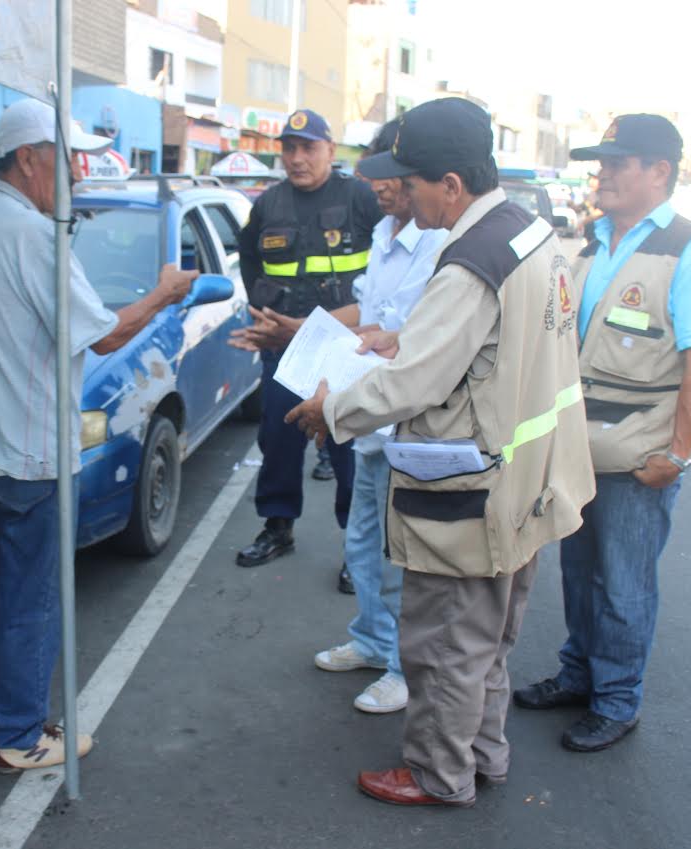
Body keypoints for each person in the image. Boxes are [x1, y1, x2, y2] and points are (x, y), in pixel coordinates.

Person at [285, 97, 595, 807]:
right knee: (487, 640)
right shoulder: (527, 233)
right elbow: (483, 347)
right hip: (528, 484)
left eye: (414, 181)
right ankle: (483, 755)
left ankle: (437, 772)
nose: (401, 195)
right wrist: (407, 341)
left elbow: (413, 382)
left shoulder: (468, 262)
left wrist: (329, 409)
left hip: (470, 491)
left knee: (445, 643)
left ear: (451, 184)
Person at [0, 98, 196, 774]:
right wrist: (163, 292)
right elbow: (102, 331)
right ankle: (16, 732)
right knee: (30, 600)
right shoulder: (35, 236)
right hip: (27, 454)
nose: (76, 171)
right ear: (26, 160)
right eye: (65, 158)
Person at [513, 114, 691, 753]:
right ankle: (579, 675)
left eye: (618, 161)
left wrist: (679, 455)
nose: (601, 172)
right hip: (578, 452)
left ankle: (616, 701)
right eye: (601, 161)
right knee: (580, 574)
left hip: (638, 460)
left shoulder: (688, 252)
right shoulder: (592, 242)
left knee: (624, 582)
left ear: (659, 172)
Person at [311, 119, 449, 714]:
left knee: (403, 555)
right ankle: (371, 640)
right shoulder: (386, 234)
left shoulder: (440, 243)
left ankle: (402, 666)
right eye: (375, 179)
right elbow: (370, 314)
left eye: (391, 179)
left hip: (407, 420)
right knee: (363, 538)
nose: (381, 190)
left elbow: (419, 339)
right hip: (369, 417)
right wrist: (304, 335)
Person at [233, 108, 382, 570]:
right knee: (278, 438)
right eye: (289, 148)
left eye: (308, 148)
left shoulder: (359, 198)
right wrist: (264, 312)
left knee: (346, 447)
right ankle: (278, 526)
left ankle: (355, 549)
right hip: (284, 347)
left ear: (330, 151)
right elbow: (249, 260)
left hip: (344, 347)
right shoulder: (269, 204)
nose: (297, 158)